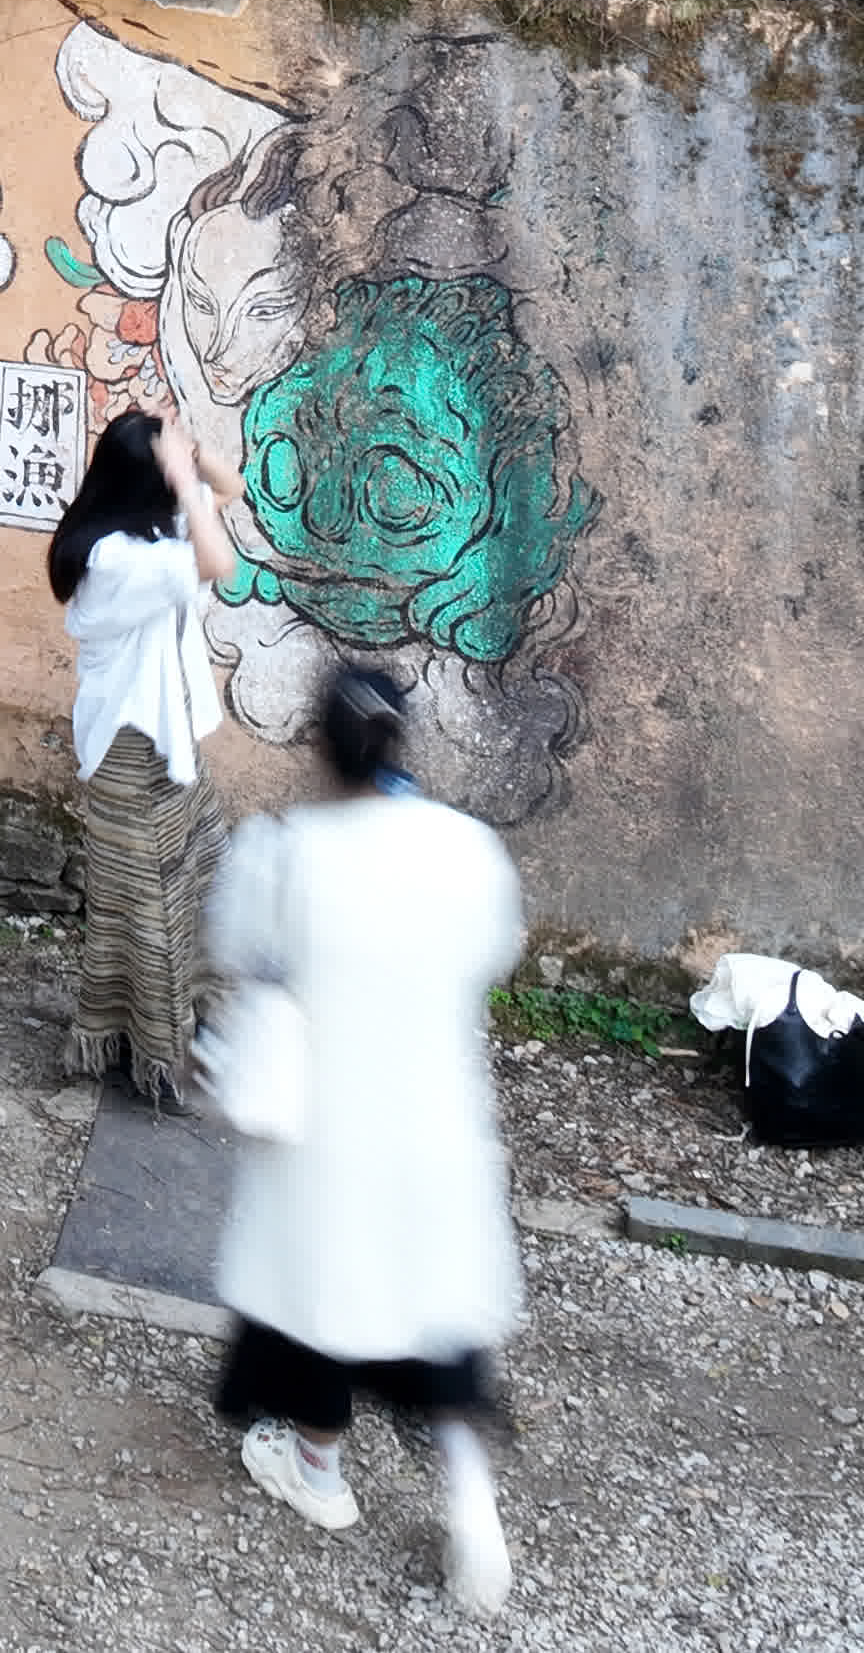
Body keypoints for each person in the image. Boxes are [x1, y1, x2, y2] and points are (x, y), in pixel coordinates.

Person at [204, 660, 528, 1618]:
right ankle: (472, 1503)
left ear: (318, 745)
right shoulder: (467, 852)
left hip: (327, 1134)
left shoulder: (285, 851)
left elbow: (235, 952)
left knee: (315, 1297)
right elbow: (494, 952)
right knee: (435, 1314)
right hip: (433, 1126)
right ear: (402, 740)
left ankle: (318, 1466)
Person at [52, 401, 221, 1092]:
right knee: (148, 906)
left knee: (187, 880)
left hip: (166, 738)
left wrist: (187, 455)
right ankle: (157, 1057)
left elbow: (231, 490)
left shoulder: (147, 534)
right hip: (131, 752)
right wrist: (183, 479)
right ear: (148, 485)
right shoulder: (121, 560)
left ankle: (153, 1029)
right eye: (166, 463)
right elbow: (222, 563)